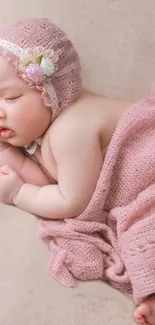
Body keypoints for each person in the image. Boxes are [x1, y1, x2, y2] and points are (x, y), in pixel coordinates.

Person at [0, 17, 154, 325]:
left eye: (11, 97)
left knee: (142, 226)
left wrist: (19, 193)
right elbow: (51, 181)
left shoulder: (71, 130)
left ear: (51, 92)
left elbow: (71, 201)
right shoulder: (47, 127)